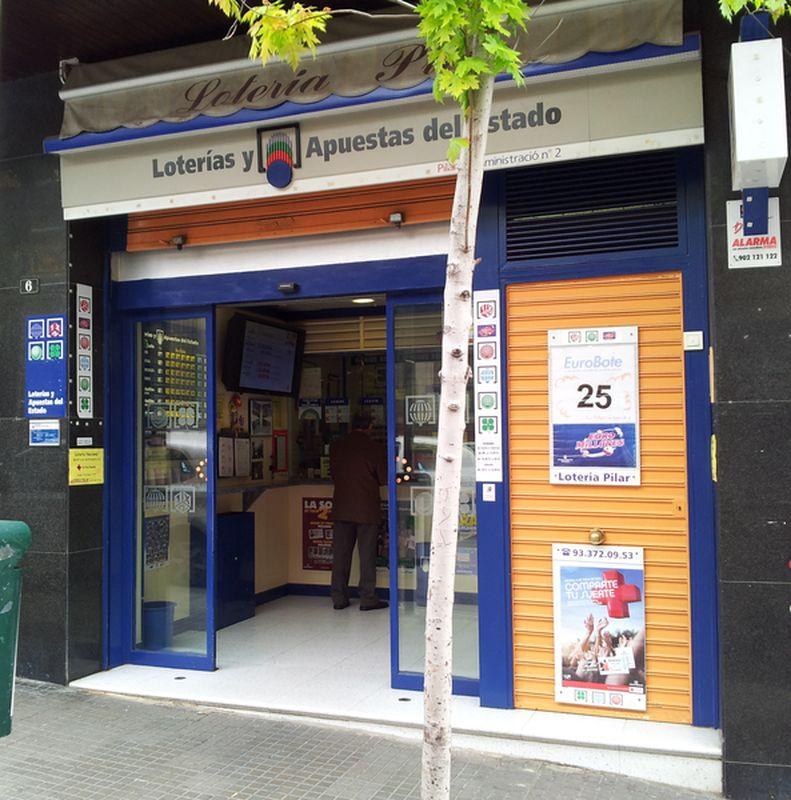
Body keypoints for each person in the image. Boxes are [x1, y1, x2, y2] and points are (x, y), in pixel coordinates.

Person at [329, 411, 389, 611]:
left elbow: (333, 474)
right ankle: (367, 597)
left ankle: (338, 597)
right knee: (367, 555)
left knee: (340, 555)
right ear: (369, 427)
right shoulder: (374, 448)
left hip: (342, 508)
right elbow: (384, 478)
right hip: (366, 509)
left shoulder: (337, 446)